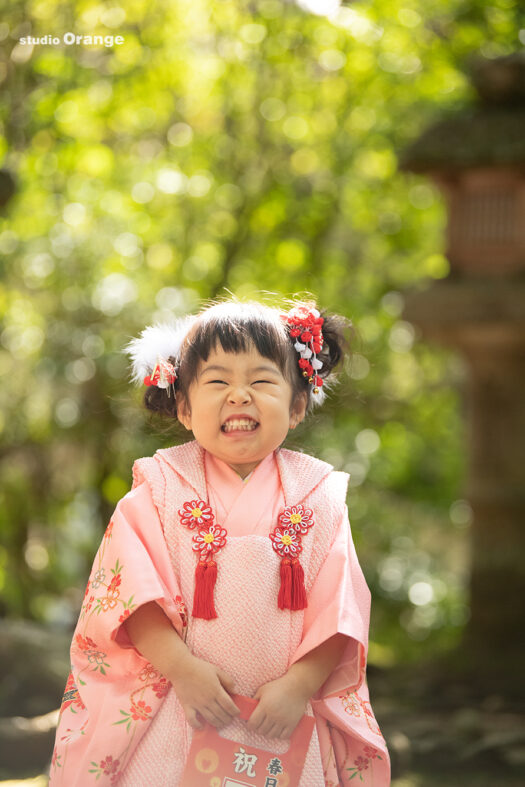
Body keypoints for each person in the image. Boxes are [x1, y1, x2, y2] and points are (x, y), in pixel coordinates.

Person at [49, 298, 391, 786]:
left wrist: (300, 686)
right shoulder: (159, 487)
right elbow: (129, 596)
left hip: (283, 713)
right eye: (217, 381)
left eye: (261, 380)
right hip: (182, 702)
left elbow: (340, 612)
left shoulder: (320, 497)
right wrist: (184, 671)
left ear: (297, 405)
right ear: (184, 407)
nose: (239, 395)